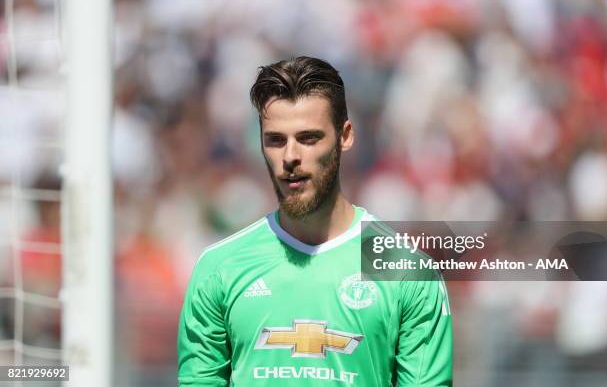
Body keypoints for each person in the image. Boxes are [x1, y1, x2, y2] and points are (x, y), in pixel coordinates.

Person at [177, 56, 453, 386]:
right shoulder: (220, 268)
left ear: (345, 136)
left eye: (308, 138)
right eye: (276, 140)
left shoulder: (406, 272)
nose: (290, 156)